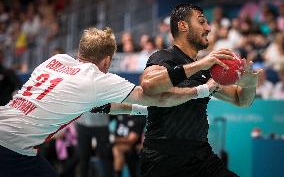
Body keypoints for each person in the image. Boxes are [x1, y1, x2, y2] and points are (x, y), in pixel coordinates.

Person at [0, 27, 231, 177]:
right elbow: (157, 97)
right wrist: (203, 89)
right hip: (12, 148)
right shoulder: (97, 80)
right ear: (108, 59)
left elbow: (106, 106)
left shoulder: (56, 60)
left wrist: (145, 112)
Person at [139, 4, 262, 177]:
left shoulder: (206, 70)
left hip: (200, 156)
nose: (208, 27)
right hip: (163, 158)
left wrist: (249, 84)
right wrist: (201, 64)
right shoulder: (163, 57)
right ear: (183, 26)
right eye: (202, 22)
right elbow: (149, 84)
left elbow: (241, 100)